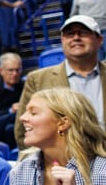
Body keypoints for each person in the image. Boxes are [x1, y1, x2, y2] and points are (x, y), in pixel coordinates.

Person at [15, 15, 106, 150]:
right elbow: (24, 132)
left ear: (99, 40)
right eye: (70, 34)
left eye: (83, 33)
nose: (76, 37)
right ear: (62, 40)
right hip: (61, 164)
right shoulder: (38, 80)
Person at [10, 87, 106, 185]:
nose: (22, 118)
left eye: (33, 113)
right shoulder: (21, 170)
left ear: (62, 123)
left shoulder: (102, 172)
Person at [0, 52, 23, 149]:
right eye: (11, 70)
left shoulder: (25, 86)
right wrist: (10, 110)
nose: (15, 74)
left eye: (17, 70)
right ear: (1, 71)